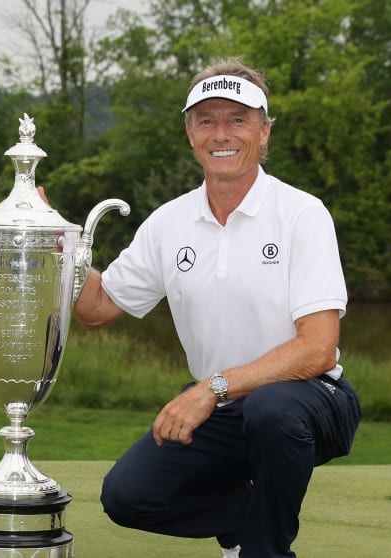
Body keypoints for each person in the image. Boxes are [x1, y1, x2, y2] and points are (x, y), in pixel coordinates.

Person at [70, 58, 361, 558]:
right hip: (224, 410)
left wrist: (211, 387)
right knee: (128, 496)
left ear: (264, 132)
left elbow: (317, 349)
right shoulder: (169, 222)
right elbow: (95, 309)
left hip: (312, 401)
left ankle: (265, 551)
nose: (221, 133)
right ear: (190, 133)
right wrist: (56, 239)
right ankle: (248, 514)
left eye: (238, 119)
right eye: (207, 120)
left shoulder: (301, 213)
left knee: (271, 409)